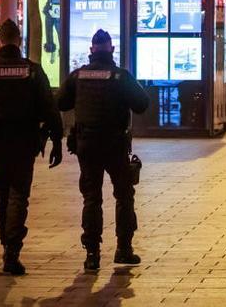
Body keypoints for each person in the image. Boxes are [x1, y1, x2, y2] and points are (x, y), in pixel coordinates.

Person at [0, 19, 63, 275]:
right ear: (19, 40)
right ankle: (12, 248)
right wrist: (56, 140)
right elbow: (49, 109)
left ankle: (7, 242)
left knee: (2, 194)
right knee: (19, 194)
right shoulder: (32, 71)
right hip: (25, 141)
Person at [57, 29, 149, 271]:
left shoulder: (78, 76)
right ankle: (124, 249)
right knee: (124, 195)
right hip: (115, 145)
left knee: (91, 198)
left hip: (87, 144)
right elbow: (141, 104)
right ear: (112, 50)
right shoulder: (120, 76)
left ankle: (92, 254)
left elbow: (61, 102)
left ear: (90, 51)